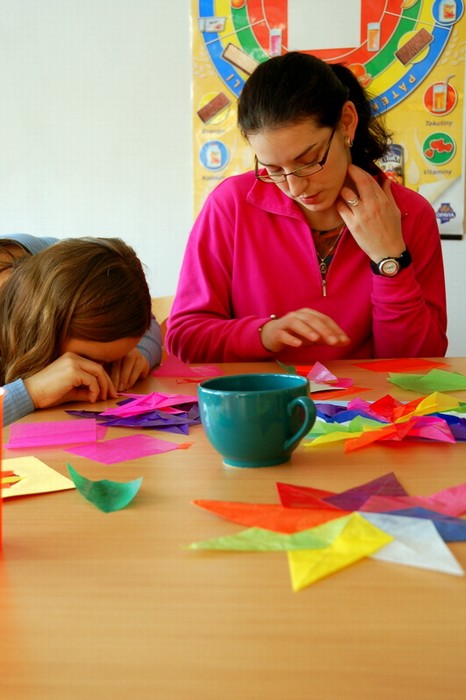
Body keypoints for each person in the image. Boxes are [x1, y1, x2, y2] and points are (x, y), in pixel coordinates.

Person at [166, 52, 448, 363]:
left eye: (309, 160)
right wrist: (264, 334)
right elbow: (184, 338)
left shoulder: (411, 214)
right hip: (263, 394)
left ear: (346, 123)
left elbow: (419, 363)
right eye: (273, 169)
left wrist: (390, 259)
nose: (295, 187)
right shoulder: (230, 205)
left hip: (367, 397)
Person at [0, 236, 160, 425]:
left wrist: (137, 354)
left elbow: (149, 322)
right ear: (44, 329)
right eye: (87, 359)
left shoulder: (65, 261)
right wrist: (32, 393)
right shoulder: (48, 276)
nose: (100, 370)